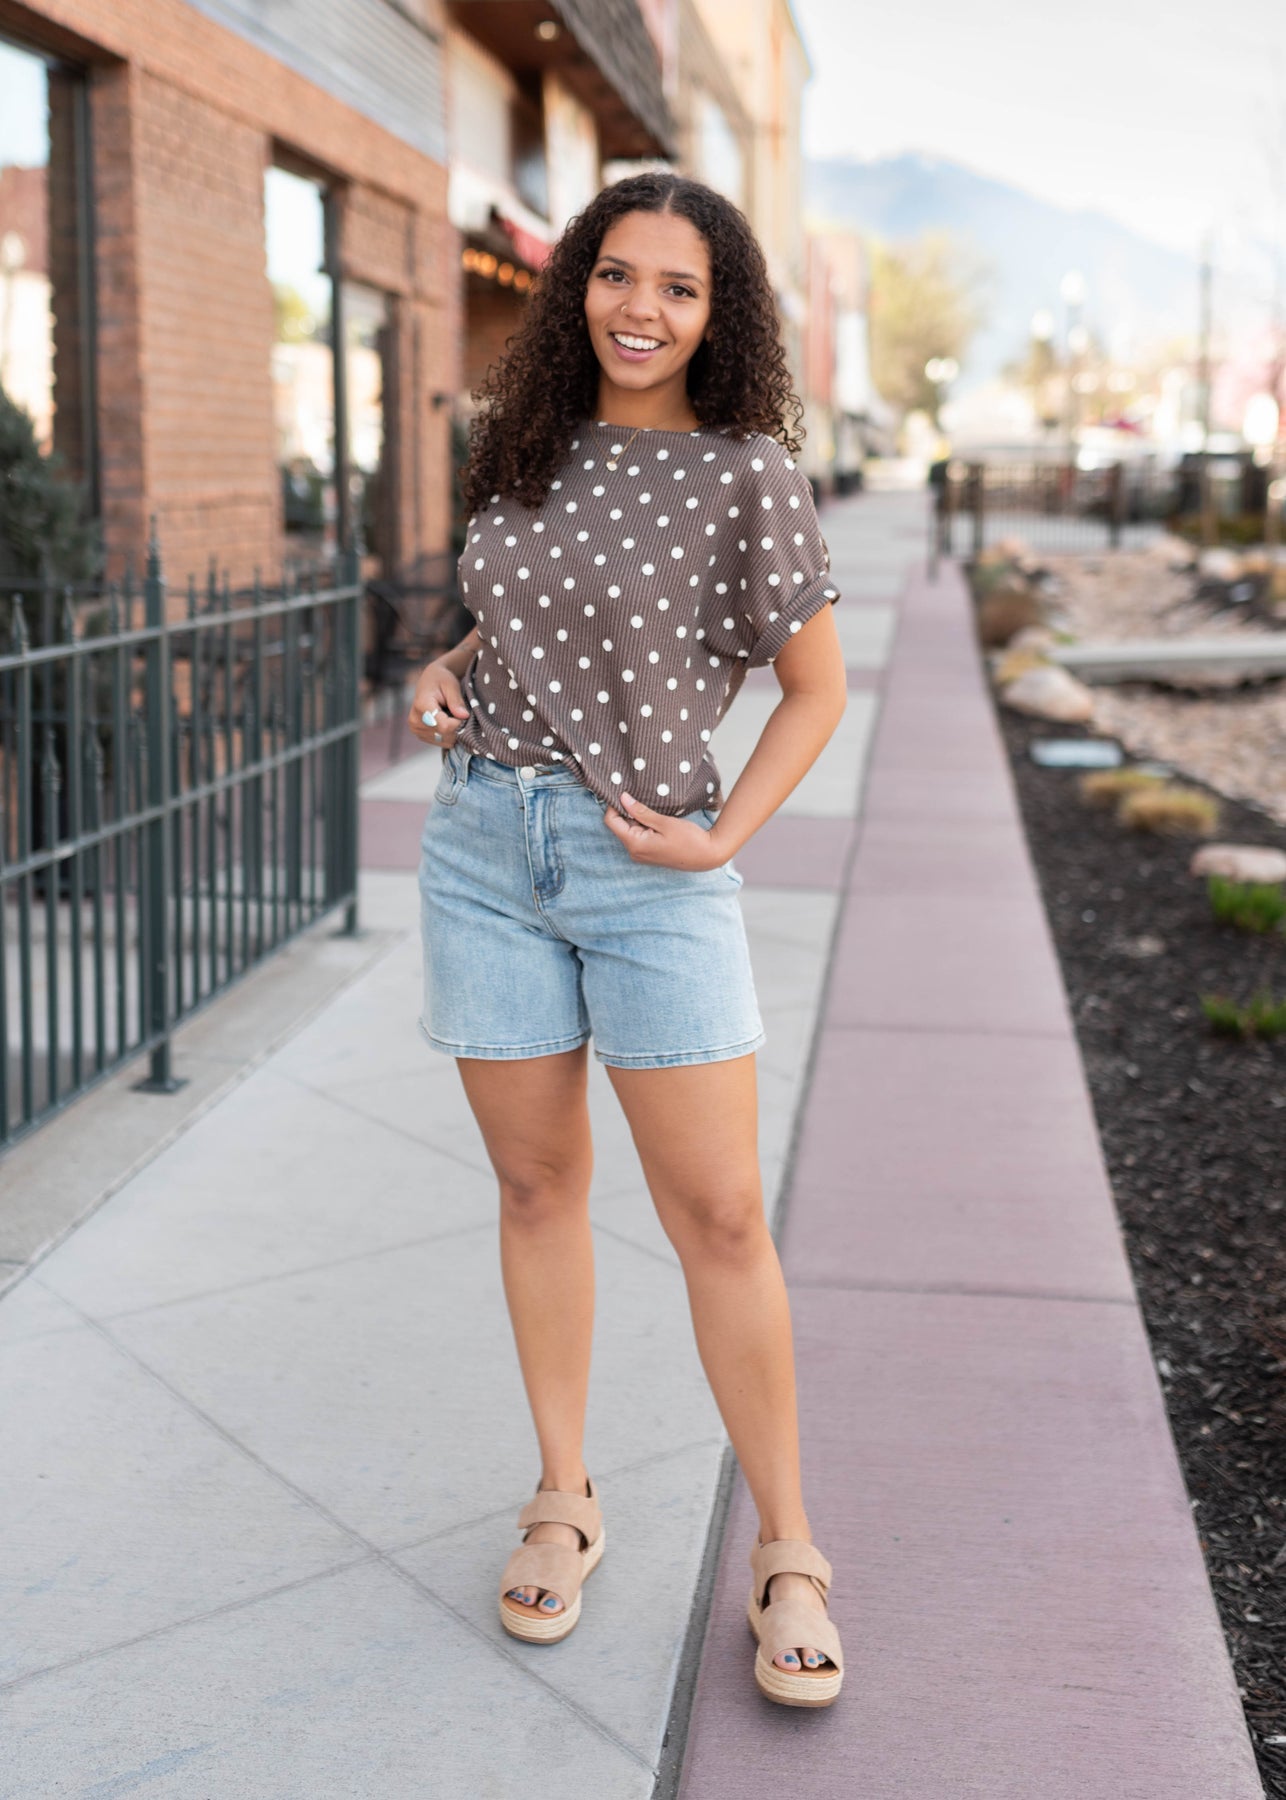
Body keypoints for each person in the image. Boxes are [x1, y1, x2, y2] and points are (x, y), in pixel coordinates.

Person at [409, 172, 848, 1708]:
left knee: (718, 1216)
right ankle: (563, 1493)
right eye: (614, 275)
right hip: (481, 847)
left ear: (719, 314)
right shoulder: (523, 440)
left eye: (676, 285)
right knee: (536, 1187)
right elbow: (533, 607)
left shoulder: (745, 476)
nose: (638, 309)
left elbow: (813, 690)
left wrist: (724, 839)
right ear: (576, 287)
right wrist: (453, 662)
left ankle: (788, 1547)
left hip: (648, 867)